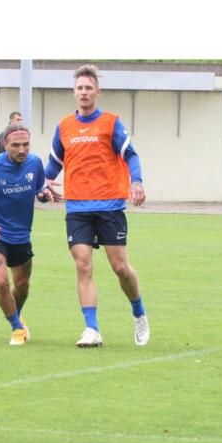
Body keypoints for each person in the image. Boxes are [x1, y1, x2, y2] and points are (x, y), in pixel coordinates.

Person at [43, 64, 150, 348]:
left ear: (97, 92)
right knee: (83, 265)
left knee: (120, 268)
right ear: (74, 92)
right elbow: (53, 164)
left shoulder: (111, 123)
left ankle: (139, 313)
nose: (84, 92)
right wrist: (43, 183)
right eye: (79, 88)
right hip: (77, 208)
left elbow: (131, 155)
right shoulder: (64, 126)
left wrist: (137, 182)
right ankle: (92, 329)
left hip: (109, 205)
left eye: (88, 88)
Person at [0, 123, 60, 345]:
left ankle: (17, 315)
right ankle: (17, 328)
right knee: (1, 281)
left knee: (22, 285)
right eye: (16, 145)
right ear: (5, 145)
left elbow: (39, 188)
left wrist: (44, 194)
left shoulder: (35, 163)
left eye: (26, 144)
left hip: (21, 235)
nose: (22, 149)